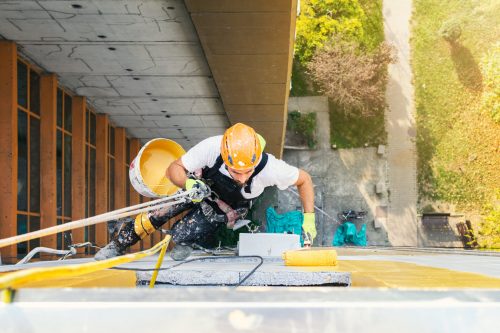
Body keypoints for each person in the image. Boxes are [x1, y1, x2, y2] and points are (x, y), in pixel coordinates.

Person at [95, 123, 316, 261]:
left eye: (247, 172)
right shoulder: (212, 147)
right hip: (198, 187)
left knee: (181, 236)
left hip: (226, 206)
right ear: (225, 154)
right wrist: (189, 185)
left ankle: (185, 239)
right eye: (235, 171)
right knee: (158, 214)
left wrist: (309, 220)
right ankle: (118, 244)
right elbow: (174, 169)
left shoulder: (271, 168)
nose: (241, 177)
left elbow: (304, 180)